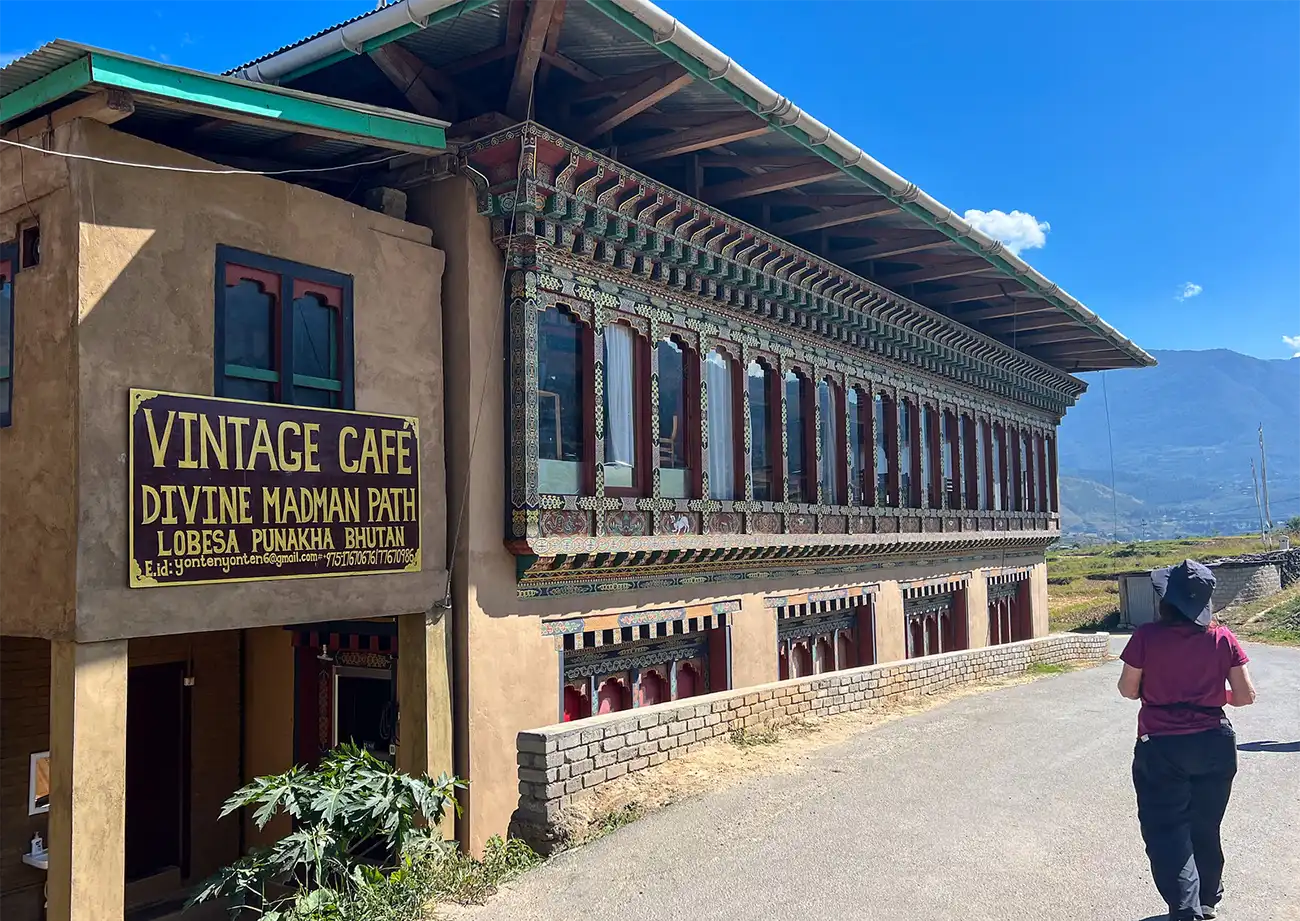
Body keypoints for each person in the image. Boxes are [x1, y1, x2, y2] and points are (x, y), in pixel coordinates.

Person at [1117, 559, 1257, 921]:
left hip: (1161, 745)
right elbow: (1244, 696)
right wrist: (1209, 697)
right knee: (1205, 824)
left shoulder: (1146, 637)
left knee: (1167, 829)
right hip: (1214, 742)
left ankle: (1186, 909)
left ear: (1166, 600)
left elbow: (1128, 690)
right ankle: (1207, 899)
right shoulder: (1222, 638)